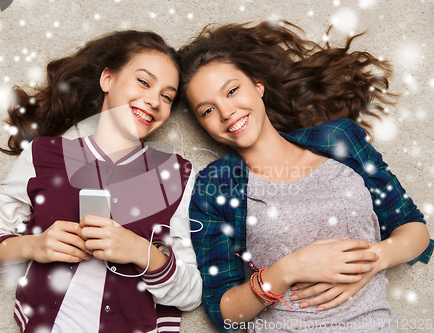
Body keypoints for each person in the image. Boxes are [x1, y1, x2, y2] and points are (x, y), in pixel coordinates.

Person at [178, 21, 433, 332]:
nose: (227, 111)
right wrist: (289, 269)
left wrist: (374, 260)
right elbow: (224, 314)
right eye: (207, 110)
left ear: (258, 86)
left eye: (232, 91)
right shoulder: (216, 184)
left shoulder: (340, 139)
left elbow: (413, 229)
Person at [0, 30, 202, 333]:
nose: (154, 101)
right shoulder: (43, 156)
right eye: (143, 82)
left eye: (167, 96)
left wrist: (140, 252)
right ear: (107, 79)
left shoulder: (176, 174)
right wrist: (33, 246)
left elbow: (192, 295)